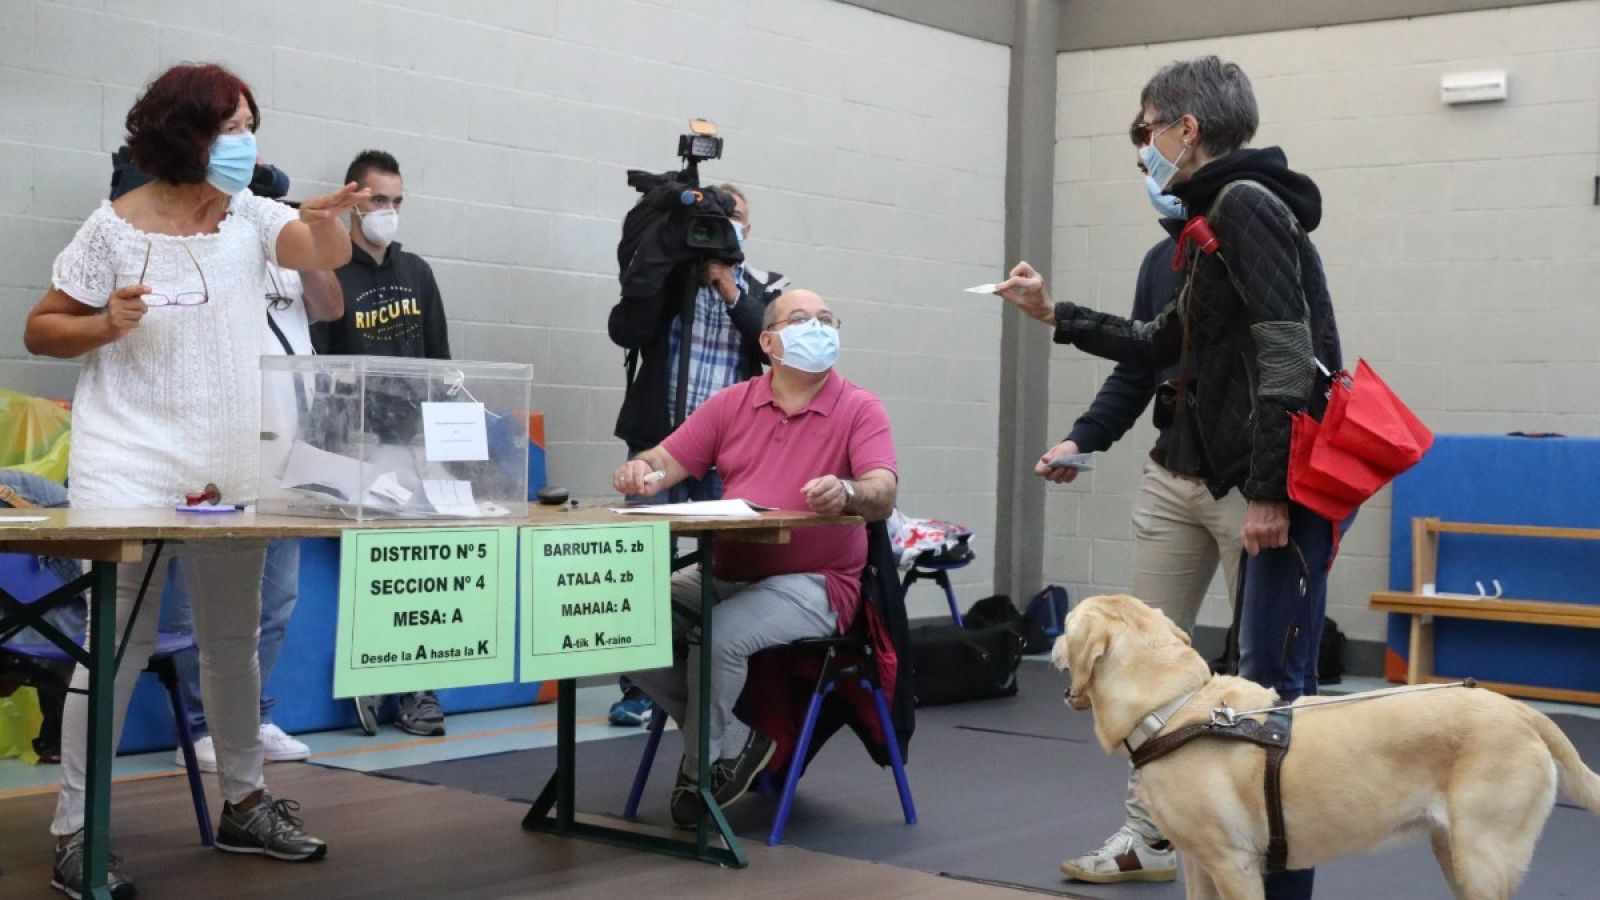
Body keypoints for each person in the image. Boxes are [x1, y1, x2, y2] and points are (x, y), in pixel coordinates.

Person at [996, 55, 1341, 900]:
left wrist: (1268, 491)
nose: (1140, 145)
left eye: (1145, 127)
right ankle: (1194, 850)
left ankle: (1281, 884)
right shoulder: (1211, 218)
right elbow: (1159, 341)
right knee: (1260, 689)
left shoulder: (1246, 205)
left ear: (1187, 128)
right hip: (1230, 471)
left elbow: (1287, 351)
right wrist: (1057, 315)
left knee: (1273, 696)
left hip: (1275, 484)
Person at [23, 62, 364, 897]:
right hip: (127, 458)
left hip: (231, 458)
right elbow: (41, 328)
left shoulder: (252, 215)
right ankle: (76, 829)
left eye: (250, 125)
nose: (247, 142)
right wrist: (105, 323)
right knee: (116, 643)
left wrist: (328, 224)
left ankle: (245, 801)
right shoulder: (111, 228)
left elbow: (319, 254)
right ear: (184, 133)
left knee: (232, 640)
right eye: (231, 127)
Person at [97, 156, 346, 775]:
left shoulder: (281, 244)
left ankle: (252, 716)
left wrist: (307, 241)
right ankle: (203, 726)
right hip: (220, 442)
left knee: (278, 595)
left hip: (288, 441)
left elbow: (331, 308)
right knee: (191, 604)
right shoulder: (207, 252)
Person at [613, 288, 897, 827]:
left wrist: (848, 491)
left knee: (719, 635)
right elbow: (666, 459)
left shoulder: (860, 407)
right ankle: (736, 741)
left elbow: (882, 491)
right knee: (616, 622)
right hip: (726, 570)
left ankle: (701, 769)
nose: (817, 328)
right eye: (801, 319)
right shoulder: (733, 403)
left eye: (826, 320)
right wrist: (641, 470)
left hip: (816, 581)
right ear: (768, 342)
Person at [1050, 115, 1247, 886]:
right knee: (1142, 665)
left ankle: (1256, 828)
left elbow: (1285, 359)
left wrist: (1269, 488)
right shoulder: (1157, 262)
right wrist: (1083, 439)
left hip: (1245, 481)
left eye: (1154, 150)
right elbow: (1140, 362)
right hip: (1174, 473)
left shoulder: (1251, 234)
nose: (1152, 176)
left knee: (1260, 667)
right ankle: (1150, 836)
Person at [606, 183, 789, 728]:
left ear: (748, 229)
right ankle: (638, 687)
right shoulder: (671, 276)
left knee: (726, 565)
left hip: (729, 452)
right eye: (717, 217)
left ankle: (712, 675)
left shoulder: (770, 288)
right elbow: (625, 330)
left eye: (736, 219)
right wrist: (661, 263)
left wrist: (730, 289)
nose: (726, 227)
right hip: (659, 444)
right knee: (644, 563)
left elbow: (777, 349)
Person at [312, 149, 451, 737]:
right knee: (376, 566)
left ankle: (414, 685)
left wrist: (440, 450)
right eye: (378, 200)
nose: (388, 211)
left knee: (418, 568)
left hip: (410, 446)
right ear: (353, 201)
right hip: (354, 448)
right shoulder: (328, 272)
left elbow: (441, 363)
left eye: (396, 201)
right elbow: (315, 367)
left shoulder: (417, 272)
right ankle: (374, 673)